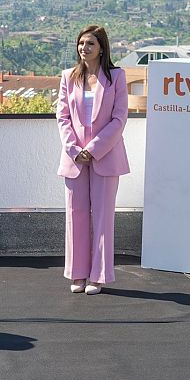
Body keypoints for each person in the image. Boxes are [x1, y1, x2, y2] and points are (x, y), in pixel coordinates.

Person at [56, 25, 129, 295]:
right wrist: (75, 149)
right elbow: (62, 117)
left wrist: (94, 149)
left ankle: (98, 277)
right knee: (74, 216)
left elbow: (119, 118)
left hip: (106, 157)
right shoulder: (68, 76)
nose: (83, 48)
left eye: (90, 44)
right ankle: (77, 274)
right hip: (74, 159)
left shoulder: (117, 77)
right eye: (81, 43)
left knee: (102, 217)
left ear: (101, 48)